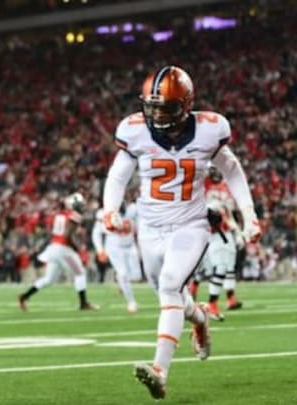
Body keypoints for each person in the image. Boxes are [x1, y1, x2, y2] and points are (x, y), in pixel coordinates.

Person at [102, 65, 262, 399]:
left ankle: (160, 370)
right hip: (149, 227)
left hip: (191, 224)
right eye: (152, 106)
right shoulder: (135, 131)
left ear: (186, 105)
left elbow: (232, 170)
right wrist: (110, 209)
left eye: (166, 107)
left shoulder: (209, 129)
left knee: (170, 286)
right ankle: (199, 317)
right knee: (166, 291)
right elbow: (118, 176)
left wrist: (249, 215)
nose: (157, 114)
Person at [18, 193, 99, 311]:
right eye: (79, 204)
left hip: (54, 247)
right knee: (80, 273)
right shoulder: (74, 215)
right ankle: (83, 303)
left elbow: (54, 231)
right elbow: (67, 235)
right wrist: (76, 248)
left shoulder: (59, 214)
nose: (81, 207)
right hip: (63, 249)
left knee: (49, 279)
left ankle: (24, 297)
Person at [188, 166, 244, 319]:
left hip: (223, 232)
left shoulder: (225, 187)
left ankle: (220, 302)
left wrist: (238, 233)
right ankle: (205, 299)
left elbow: (228, 213)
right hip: (206, 233)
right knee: (211, 268)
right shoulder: (201, 185)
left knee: (225, 267)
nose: (216, 172)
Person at [92, 201, 141, 313]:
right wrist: (100, 250)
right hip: (114, 247)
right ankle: (131, 302)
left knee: (136, 276)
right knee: (123, 274)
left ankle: (121, 282)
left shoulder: (133, 209)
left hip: (130, 245)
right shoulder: (103, 214)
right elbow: (96, 233)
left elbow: (140, 226)